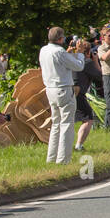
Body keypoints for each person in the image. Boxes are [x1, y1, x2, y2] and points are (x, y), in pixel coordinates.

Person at [41, 27, 86, 164]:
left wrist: (71, 52)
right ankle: (63, 160)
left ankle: (51, 157)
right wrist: (80, 53)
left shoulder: (44, 50)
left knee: (56, 124)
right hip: (63, 89)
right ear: (60, 39)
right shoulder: (59, 52)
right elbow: (78, 66)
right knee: (66, 124)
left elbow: (63, 62)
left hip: (50, 89)